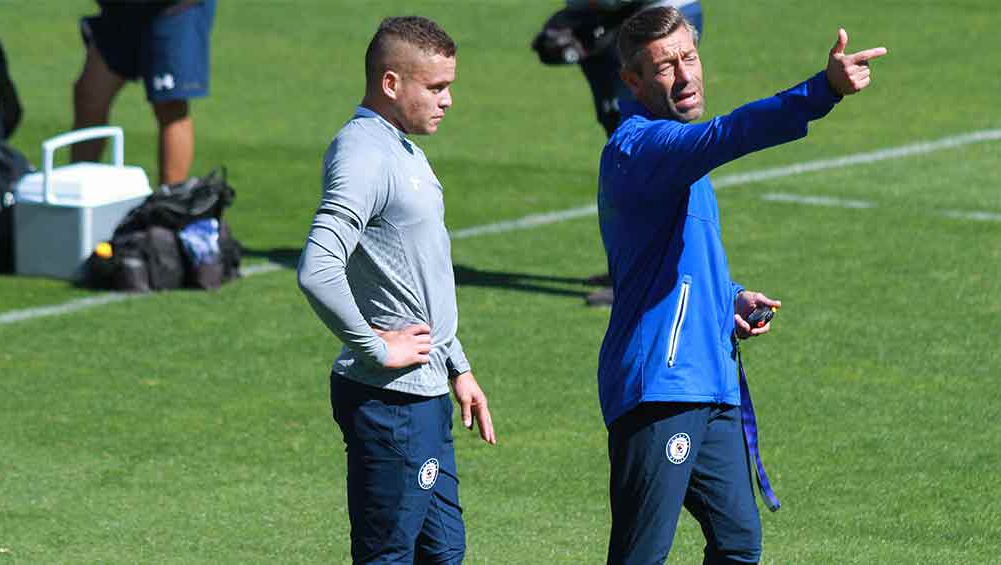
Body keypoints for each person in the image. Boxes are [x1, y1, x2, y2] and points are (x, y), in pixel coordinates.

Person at [596, 7, 886, 564]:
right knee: (640, 555)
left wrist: (728, 298)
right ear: (632, 81)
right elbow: (731, 133)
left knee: (737, 544)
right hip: (662, 384)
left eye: (690, 57)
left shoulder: (677, 154)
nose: (684, 76)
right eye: (663, 68)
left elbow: (673, 260)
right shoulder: (642, 148)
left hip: (712, 382)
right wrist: (822, 89)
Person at [297, 16, 496, 564]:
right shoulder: (363, 154)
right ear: (391, 84)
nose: (448, 100)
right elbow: (317, 268)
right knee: (389, 555)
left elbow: (418, 274)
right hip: (392, 403)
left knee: (443, 552)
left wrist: (457, 365)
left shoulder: (403, 150)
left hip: (425, 393)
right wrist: (376, 347)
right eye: (435, 87)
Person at [533, 0, 703, 307]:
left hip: (651, 17)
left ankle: (648, 278)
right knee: (618, 126)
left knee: (647, 151)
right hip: (610, 16)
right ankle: (628, 271)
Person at [71, 0, 217, 186]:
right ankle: (77, 193)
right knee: (90, 94)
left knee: (169, 105)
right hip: (122, 9)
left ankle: (170, 204)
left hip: (173, 7)